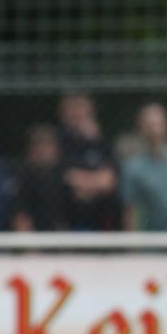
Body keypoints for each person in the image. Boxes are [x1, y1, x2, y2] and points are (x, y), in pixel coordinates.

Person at [57, 93, 121, 231]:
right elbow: (67, 177)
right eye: (72, 109)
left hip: (102, 218)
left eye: (81, 108)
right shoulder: (59, 143)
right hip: (70, 218)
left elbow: (108, 180)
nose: (77, 114)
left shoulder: (102, 143)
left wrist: (85, 185)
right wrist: (95, 183)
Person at [12, 125, 69, 231]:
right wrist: (31, 246)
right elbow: (21, 217)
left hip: (62, 237)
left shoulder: (63, 175)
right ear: (31, 149)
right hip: (36, 238)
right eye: (40, 145)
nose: (44, 151)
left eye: (49, 145)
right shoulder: (23, 176)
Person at [122, 103, 167, 231]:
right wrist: (133, 247)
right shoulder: (132, 167)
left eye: (158, 124)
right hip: (149, 242)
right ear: (140, 127)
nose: (154, 130)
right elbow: (131, 210)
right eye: (149, 125)